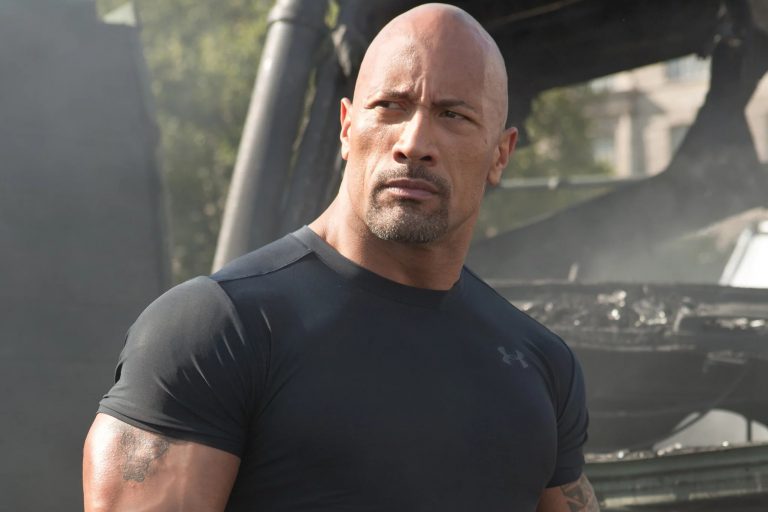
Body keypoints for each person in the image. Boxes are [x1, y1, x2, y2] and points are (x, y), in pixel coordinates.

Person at [83, 3, 598, 511]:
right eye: (390, 106)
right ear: (347, 128)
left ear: (500, 155)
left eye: (453, 115)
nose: (414, 142)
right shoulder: (213, 330)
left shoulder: (541, 365)